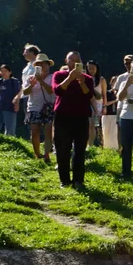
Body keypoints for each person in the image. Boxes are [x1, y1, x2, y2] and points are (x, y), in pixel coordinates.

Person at [51, 51, 100, 188]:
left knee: (79, 150)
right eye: (71, 60)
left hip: (81, 116)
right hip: (62, 116)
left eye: (77, 61)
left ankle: (78, 180)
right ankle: (64, 180)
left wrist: (82, 82)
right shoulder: (59, 75)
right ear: (66, 61)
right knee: (63, 149)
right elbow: (57, 91)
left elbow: (89, 95)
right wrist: (70, 78)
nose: (74, 63)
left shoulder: (88, 79)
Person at [22, 54, 56, 162]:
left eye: (45, 64)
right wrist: (32, 85)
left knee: (48, 131)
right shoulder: (30, 78)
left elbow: (51, 91)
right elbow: (25, 92)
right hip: (33, 107)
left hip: (48, 107)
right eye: (40, 64)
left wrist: (41, 81)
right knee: (35, 131)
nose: (43, 66)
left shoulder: (53, 77)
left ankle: (46, 154)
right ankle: (37, 154)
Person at [14, 45, 41, 135]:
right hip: (26, 95)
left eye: (26, 51)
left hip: (35, 96)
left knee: (36, 117)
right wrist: (18, 96)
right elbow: (24, 84)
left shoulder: (38, 65)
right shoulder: (27, 66)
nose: (23, 54)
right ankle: (32, 138)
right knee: (28, 117)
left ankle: (40, 138)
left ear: (32, 53)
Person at [85, 60, 106, 147]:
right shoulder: (84, 78)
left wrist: (105, 107)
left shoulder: (101, 80)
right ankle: (86, 144)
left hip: (97, 104)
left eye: (93, 68)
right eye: (89, 68)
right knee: (87, 124)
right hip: (86, 103)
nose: (91, 70)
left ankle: (91, 144)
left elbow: (104, 95)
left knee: (92, 124)